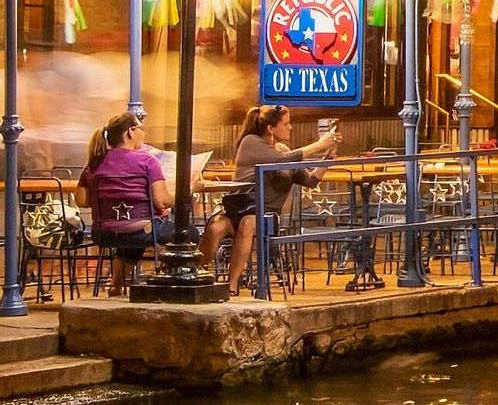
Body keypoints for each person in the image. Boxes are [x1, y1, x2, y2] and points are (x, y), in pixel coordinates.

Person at [203, 105, 340, 293]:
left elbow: (310, 181)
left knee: (248, 224)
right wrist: (319, 145)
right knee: (216, 227)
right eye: (286, 123)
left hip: (266, 213)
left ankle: (231, 286)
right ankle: (197, 273)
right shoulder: (251, 142)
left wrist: (327, 158)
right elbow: (280, 160)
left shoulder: (284, 152)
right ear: (270, 128)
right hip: (240, 206)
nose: (291, 127)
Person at [79, 113, 169, 297]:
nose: (143, 133)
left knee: (131, 238)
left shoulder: (93, 164)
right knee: (188, 233)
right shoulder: (148, 161)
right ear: (130, 132)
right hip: (144, 231)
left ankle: (116, 286)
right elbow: (161, 200)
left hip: (104, 233)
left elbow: (82, 201)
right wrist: (187, 191)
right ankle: (174, 280)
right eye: (141, 129)